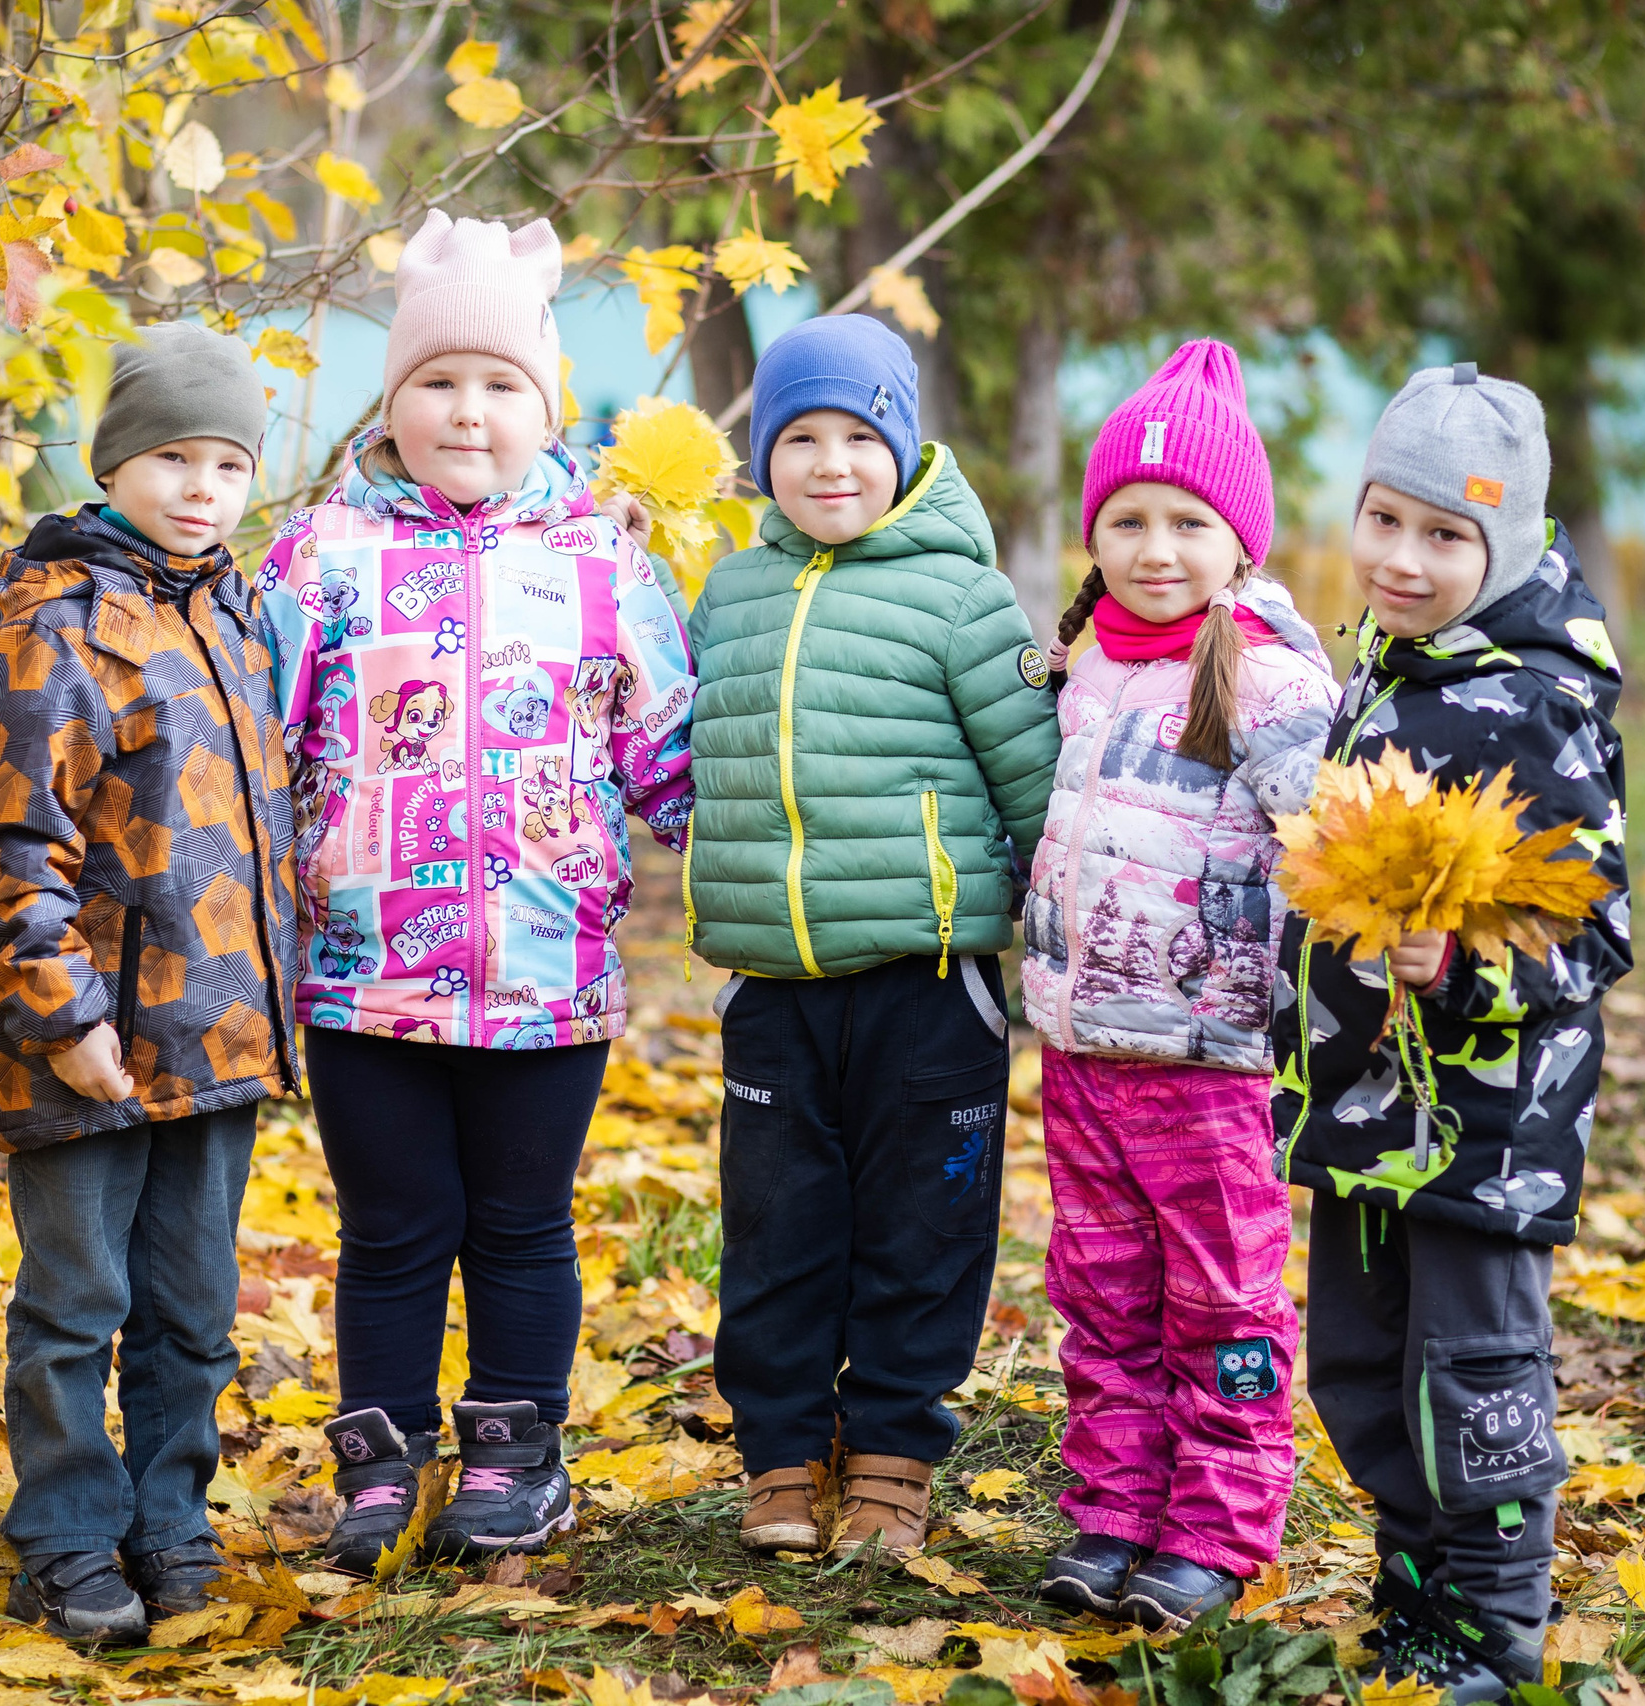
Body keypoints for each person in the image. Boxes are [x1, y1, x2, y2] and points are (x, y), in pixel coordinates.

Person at [256, 210, 696, 1571]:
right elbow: (252, 748)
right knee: (390, 1230)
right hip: (362, 968)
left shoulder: (605, 561)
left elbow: (669, 755)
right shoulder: (318, 558)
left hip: (544, 973)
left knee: (520, 1223)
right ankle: (381, 1465)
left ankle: (517, 1449)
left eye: (500, 385)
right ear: (392, 399)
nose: (467, 411)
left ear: (542, 402)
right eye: (438, 381)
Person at [1274, 364, 1629, 1702]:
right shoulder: (1390, 670)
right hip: (1369, 1109)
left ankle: (1489, 1630)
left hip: (1484, 1136)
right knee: (1361, 1368)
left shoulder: (1534, 701)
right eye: (1384, 521)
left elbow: (1592, 929)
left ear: (1509, 545)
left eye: (1445, 536)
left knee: (1472, 1381)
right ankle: (1415, 1591)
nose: (1404, 560)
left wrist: (1464, 964)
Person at [685, 313, 1059, 1557]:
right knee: (777, 1226)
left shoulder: (962, 598)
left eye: (859, 435)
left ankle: (895, 1449)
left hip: (926, 981)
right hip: (774, 988)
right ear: (762, 455)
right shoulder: (731, 593)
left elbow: (1035, 785)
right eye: (798, 437)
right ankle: (783, 1451)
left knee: (921, 1226)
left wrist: (1037, 941)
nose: (829, 462)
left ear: (903, 444)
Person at [0, 320, 299, 1644]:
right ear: (113, 464)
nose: (202, 485)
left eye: (226, 460)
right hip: (87, 1036)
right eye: (171, 456)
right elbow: (9, 833)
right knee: (76, 1299)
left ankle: (170, 1515)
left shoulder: (238, 608)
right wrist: (59, 1013)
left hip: (213, 1031)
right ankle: (65, 1531)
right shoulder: (52, 618)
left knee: (193, 1302)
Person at [1019, 340, 1338, 1629]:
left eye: (1189, 522)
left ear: (1240, 539)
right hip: (1082, 1045)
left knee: (1220, 1294)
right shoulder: (1083, 663)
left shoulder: (1268, 678)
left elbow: (1329, 851)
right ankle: (1111, 1510)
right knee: (1100, 1287)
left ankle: (1213, 1526)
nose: (1157, 547)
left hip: (1206, 1061)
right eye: (1128, 519)